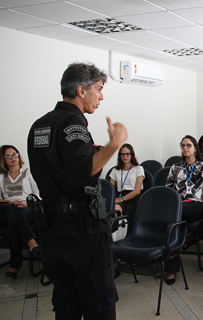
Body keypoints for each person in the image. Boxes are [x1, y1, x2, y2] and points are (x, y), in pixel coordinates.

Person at [27, 62, 128, 319]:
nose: (101, 95)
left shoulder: (39, 126)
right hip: (83, 233)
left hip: (52, 231)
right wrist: (113, 145)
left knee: (66, 303)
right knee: (99, 304)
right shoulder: (73, 123)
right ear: (81, 91)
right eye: (98, 89)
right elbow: (81, 172)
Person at [166, 135, 203, 284]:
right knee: (173, 223)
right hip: (179, 205)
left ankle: (169, 265)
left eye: (188, 145)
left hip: (196, 205)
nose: (185, 148)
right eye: (183, 146)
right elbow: (167, 189)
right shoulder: (175, 168)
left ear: (195, 148)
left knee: (171, 217)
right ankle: (171, 265)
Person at [0, 145, 40, 279]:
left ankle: (14, 266)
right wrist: (10, 202)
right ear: (3, 159)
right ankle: (31, 241)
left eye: (15, 154)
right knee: (10, 209)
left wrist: (25, 204)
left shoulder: (28, 172)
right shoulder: (1, 176)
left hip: (27, 208)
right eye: (8, 156)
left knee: (13, 225)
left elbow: (38, 196)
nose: (13, 158)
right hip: (8, 209)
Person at [109, 143, 144, 218]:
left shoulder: (138, 169)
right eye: (123, 154)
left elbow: (137, 190)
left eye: (127, 154)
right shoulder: (115, 170)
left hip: (132, 199)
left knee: (116, 208)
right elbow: (110, 188)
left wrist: (122, 199)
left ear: (132, 155)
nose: (125, 156)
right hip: (119, 196)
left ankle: (122, 227)